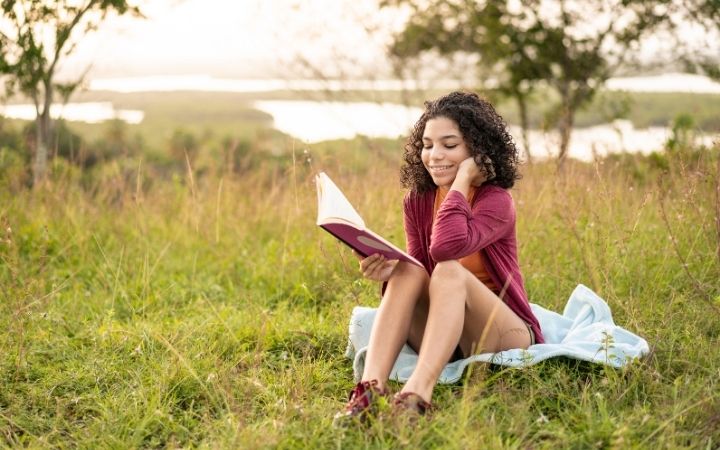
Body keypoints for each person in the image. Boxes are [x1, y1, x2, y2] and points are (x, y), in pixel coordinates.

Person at [334, 91, 544, 422]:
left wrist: (461, 181)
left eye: (450, 145)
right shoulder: (417, 201)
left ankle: (416, 398)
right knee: (408, 270)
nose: (434, 155)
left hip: (501, 334)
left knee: (448, 269)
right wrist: (388, 273)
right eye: (428, 145)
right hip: (444, 333)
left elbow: (446, 248)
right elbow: (421, 272)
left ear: (476, 150)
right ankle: (369, 393)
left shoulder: (495, 201)